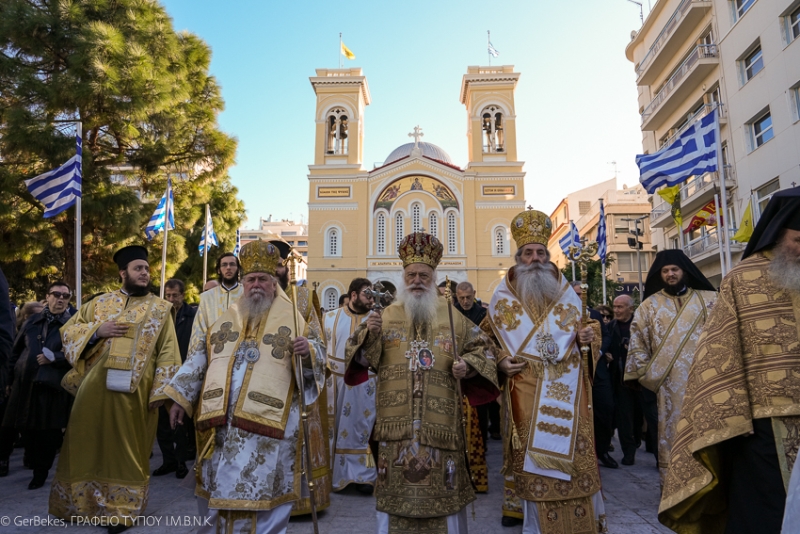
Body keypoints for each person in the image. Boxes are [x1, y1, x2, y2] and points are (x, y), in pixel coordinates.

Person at [658, 186, 800, 534]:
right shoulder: (743, 278)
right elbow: (718, 354)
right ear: (780, 235)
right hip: (765, 425)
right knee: (768, 514)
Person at [165, 240, 326, 533]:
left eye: (262, 279)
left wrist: (309, 351)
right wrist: (180, 398)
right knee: (219, 491)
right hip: (223, 425)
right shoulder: (224, 322)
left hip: (270, 428)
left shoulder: (294, 319)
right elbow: (199, 358)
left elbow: (317, 363)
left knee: (265, 495)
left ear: (273, 282)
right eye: (250, 279)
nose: (256, 285)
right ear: (242, 282)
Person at [345, 231, 499, 533]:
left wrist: (467, 366)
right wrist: (369, 338)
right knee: (395, 500)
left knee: (445, 497)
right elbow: (361, 361)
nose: (417, 279)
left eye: (424, 275)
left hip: (440, 426)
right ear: (403, 278)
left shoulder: (453, 316)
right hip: (396, 427)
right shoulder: (384, 316)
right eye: (411, 274)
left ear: (434, 278)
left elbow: (485, 350)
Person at [486, 209, 606, 533]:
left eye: (541, 252)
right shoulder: (502, 298)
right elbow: (483, 341)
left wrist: (587, 337)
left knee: (575, 464)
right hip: (524, 400)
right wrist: (499, 359)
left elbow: (589, 326)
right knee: (536, 468)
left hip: (569, 395)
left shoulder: (565, 292)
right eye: (529, 253)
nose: (536, 258)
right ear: (518, 258)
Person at [49, 245, 181, 533]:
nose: (145, 272)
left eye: (147, 268)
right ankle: (80, 505)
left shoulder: (161, 309)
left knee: (127, 450)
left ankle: (121, 510)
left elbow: (169, 352)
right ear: (123, 273)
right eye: (138, 268)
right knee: (86, 442)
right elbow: (69, 330)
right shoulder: (98, 304)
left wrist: (161, 392)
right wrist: (97, 331)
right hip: (93, 391)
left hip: (135, 393)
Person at [623, 249, 716, 483]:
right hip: (667, 385)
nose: (671, 274)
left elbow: (721, 336)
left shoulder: (709, 300)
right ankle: (676, 486)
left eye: (675, 269)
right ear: (660, 274)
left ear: (684, 271)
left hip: (705, 381)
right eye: (665, 271)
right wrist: (646, 374)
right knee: (671, 434)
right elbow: (637, 341)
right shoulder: (649, 306)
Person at [268, 239, 332, 515]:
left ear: (285, 268)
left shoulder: (303, 299)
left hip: (297, 385)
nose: (270, 274)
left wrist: (308, 351)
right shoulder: (246, 300)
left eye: (275, 267)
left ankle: (303, 504)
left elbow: (319, 343)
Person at [0, 282, 73, 488]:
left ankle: (40, 473)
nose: (60, 299)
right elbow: (15, 351)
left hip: (51, 387)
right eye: (56, 294)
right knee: (23, 428)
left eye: (65, 296)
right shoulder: (32, 321)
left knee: (48, 434)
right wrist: (9, 379)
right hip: (24, 383)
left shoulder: (73, 324)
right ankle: (29, 462)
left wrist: (56, 358)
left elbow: (79, 355)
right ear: (47, 296)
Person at [324, 277, 377, 494]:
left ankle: (362, 476)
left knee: (360, 427)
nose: (371, 299)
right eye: (367, 294)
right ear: (353, 295)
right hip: (334, 382)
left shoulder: (376, 319)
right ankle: (334, 474)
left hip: (365, 383)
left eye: (372, 295)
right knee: (335, 429)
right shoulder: (329, 318)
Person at [153, 279, 197, 479]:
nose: (171, 299)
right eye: (167, 295)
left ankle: (181, 462)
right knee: (161, 421)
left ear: (183, 295)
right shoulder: (158, 316)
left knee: (178, 421)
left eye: (175, 295)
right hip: (161, 374)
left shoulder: (193, 316)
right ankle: (168, 461)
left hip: (182, 374)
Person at [569, 280, 616, 469]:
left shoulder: (595, 315)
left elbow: (605, 337)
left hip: (598, 372)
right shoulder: (563, 316)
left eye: (583, 294)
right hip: (573, 372)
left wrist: (599, 353)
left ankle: (602, 450)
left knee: (606, 409)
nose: (580, 297)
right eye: (577, 294)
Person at [607, 295, 655, 466]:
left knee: (649, 417)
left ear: (630, 308)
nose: (617, 310)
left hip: (642, 380)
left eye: (620, 307)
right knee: (624, 419)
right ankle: (629, 453)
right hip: (621, 381)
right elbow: (604, 345)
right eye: (615, 307)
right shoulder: (610, 328)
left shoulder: (642, 325)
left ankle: (657, 454)